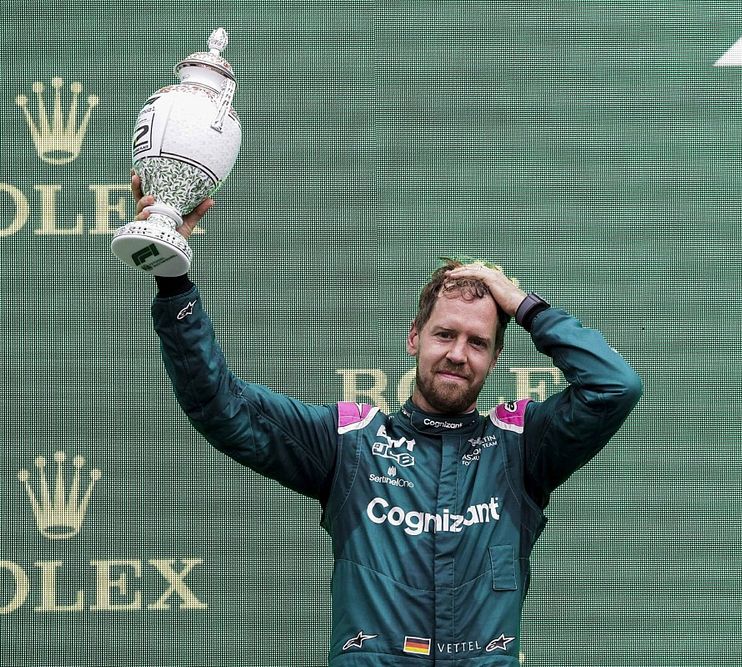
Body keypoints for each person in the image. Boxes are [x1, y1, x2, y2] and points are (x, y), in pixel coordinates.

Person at [133, 175, 642, 666]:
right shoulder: (352, 444)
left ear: (495, 356)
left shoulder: (520, 448)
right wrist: (173, 280)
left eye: (478, 342)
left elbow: (614, 387)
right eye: (445, 335)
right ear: (414, 337)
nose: (458, 354)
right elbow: (221, 405)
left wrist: (525, 305)